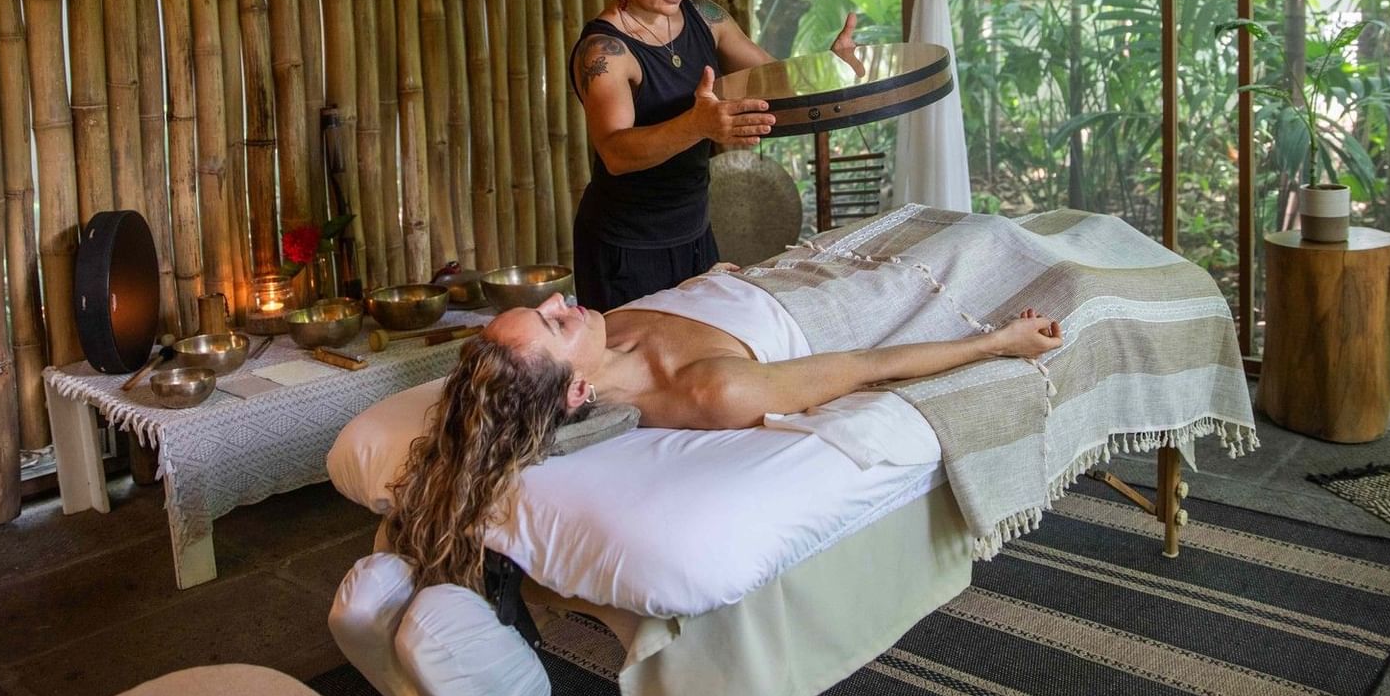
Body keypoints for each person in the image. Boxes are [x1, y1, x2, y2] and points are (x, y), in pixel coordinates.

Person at [384, 284, 1062, 590]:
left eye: (546, 307)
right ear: (577, 394)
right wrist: (999, 342)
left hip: (788, 276)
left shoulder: (603, 333)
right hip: (832, 305)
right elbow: (867, 366)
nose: (564, 301)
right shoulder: (709, 391)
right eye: (556, 323)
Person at [568, 0, 857, 310]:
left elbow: (776, 80)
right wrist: (698, 124)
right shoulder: (604, 52)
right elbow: (616, 151)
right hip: (626, 248)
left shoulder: (706, 18)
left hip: (695, 232)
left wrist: (831, 68)